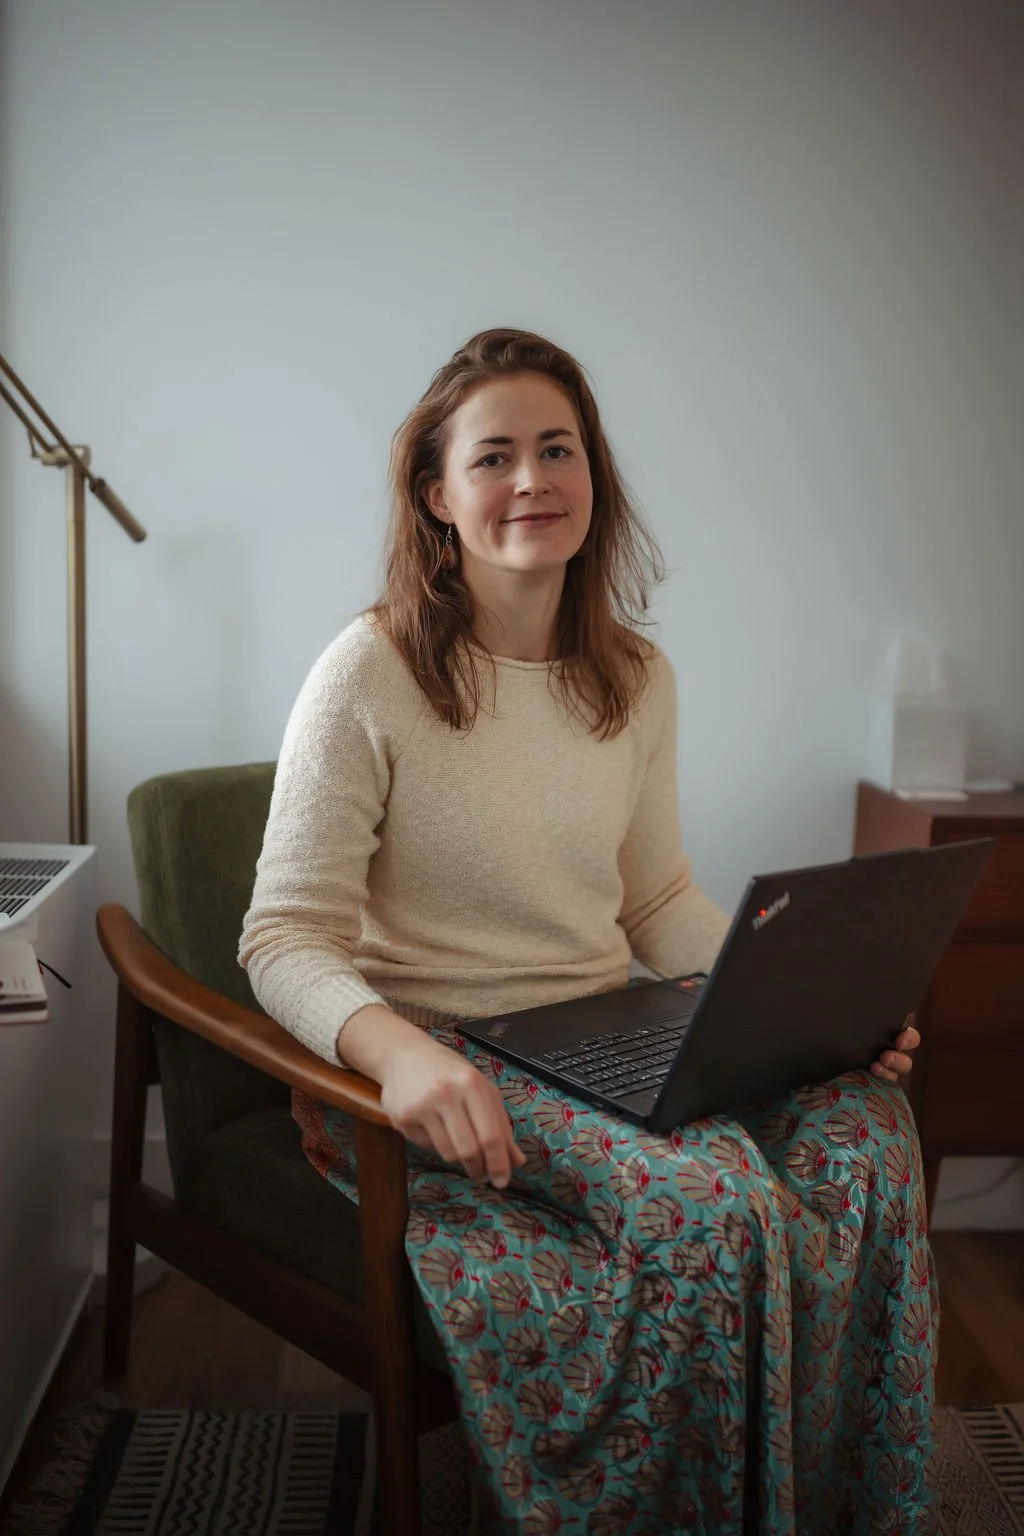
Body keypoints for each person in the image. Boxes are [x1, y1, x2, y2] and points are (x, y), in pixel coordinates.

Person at [239, 328, 933, 1535]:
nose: (530, 480)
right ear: (436, 495)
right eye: (493, 455)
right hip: (452, 1053)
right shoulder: (367, 670)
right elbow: (283, 934)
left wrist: (808, 1008)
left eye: (556, 449)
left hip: (607, 1022)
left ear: (593, 477)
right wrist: (397, 1052)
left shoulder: (636, 677)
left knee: (869, 1128)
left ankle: (843, 1506)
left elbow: (655, 900)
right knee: (718, 1210)